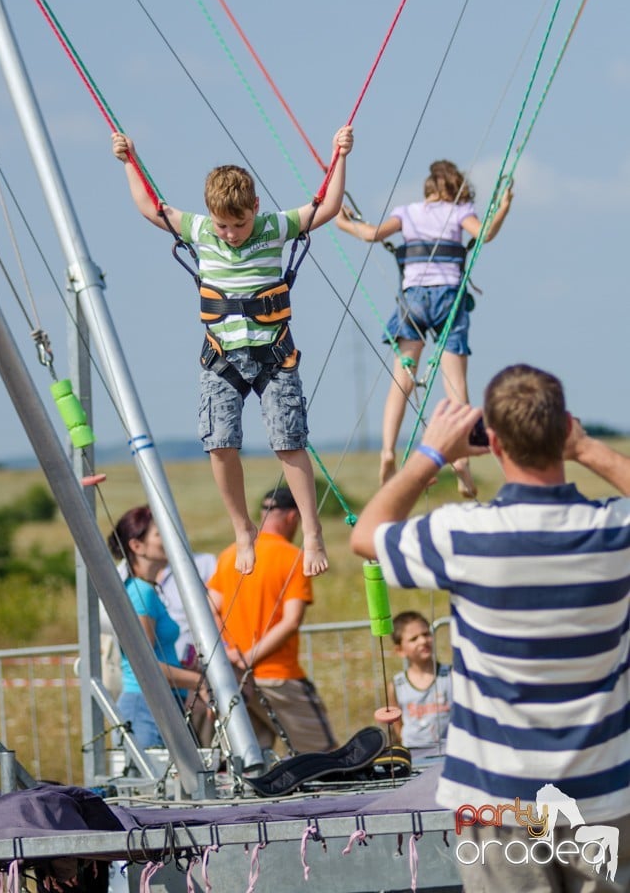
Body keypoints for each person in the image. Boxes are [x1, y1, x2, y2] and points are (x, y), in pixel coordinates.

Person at [351, 364, 630, 892]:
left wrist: (432, 452)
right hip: (599, 797)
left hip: (495, 798)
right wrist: (588, 448)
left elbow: (368, 535)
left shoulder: (464, 534)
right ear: (565, 427)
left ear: (494, 443)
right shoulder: (612, 531)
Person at [112, 126, 354, 578]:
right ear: (210, 215)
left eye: (239, 224)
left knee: (289, 442)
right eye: (224, 225)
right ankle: (243, 529)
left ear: (255, 209)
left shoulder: (272, 227)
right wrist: (131, 161)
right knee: (220, 444)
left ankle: (314, 529)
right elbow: (151, 207)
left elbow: (328, 206)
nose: (232, 233)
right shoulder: (202, 230)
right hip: (221, 357)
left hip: (273, 354)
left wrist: (340, 155)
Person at [336, 160, 512, 493]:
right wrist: (502, 208)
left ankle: (388, 451)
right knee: (456, 385)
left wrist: (344, 223)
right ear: (455, 190)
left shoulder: (408, 211)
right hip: (448, 299)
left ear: (428, 190)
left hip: (412, 300)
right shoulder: (460, 212)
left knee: (401, 382)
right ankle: (462, 462)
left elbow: (372, 234)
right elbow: (485, 233)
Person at [207, 485, 337, 755]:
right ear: (292, 517)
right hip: (278, 677)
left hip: (235, 677)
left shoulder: (230, 554)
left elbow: (211, 610)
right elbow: (291, 621)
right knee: (323, 756)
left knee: (254, 760)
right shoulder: (293, 557)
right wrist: (250, 656)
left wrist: (233, 656)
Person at [107, 506, 212, 752]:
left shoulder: (147, 590)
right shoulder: (140, 592)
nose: (169, 539)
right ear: (136, 546)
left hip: (160, 703)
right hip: (146, 707)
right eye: (159, 534)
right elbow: (145, 665)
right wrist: (199, 681)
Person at [387, 610, 451, 752]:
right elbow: (397, 725)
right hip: (415, 753)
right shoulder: (397, 685)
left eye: (426, 634)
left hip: (449, 751)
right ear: (400, 650)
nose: (423, 640)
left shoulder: (451, 675)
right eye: (414, 639)